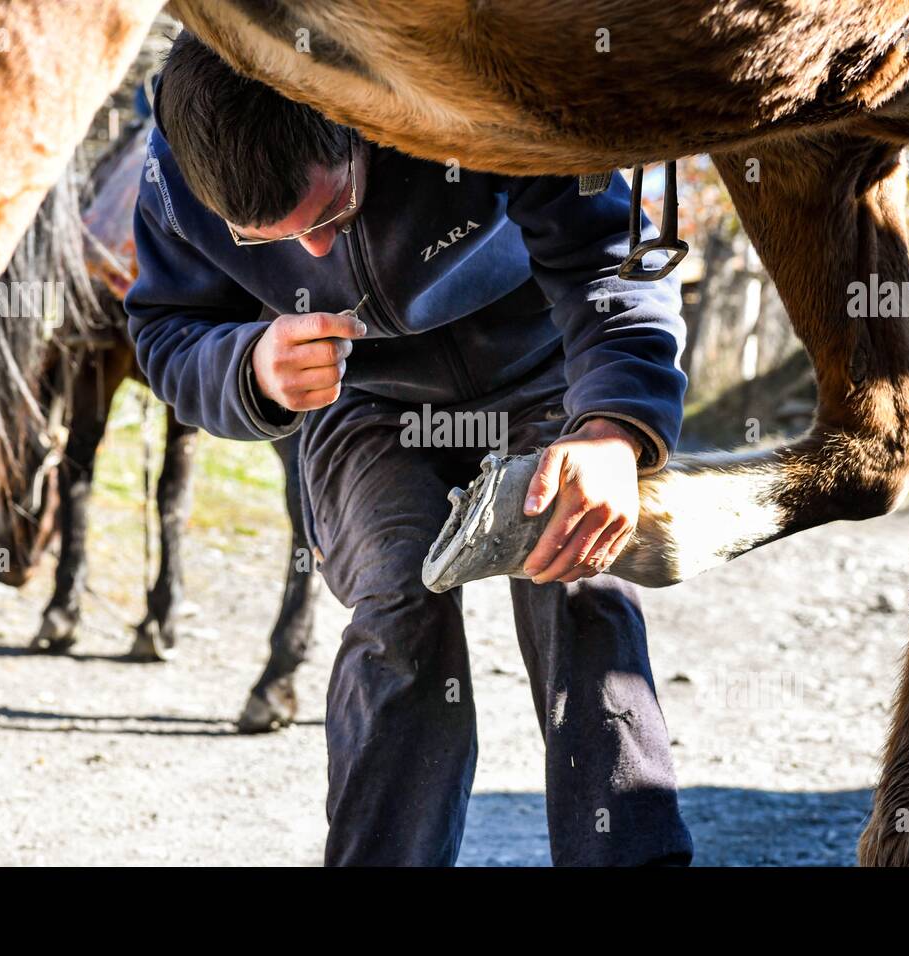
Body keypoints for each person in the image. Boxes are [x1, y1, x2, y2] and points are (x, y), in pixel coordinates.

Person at [126, 32, 693, 866]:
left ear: (354, 120)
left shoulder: (466, 78)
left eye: (329, 214)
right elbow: (167, 330)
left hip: (542, 369)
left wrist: (612, 427)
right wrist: (248, 366)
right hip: (364, 406)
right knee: (398, 609)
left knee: (581, 575)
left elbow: (607, 254)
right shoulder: (172, 174)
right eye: (269, 238)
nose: (312, 252)